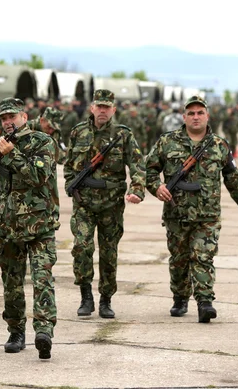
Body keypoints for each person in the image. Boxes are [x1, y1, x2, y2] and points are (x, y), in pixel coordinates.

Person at [145, 95, 238, 323]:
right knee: (179, 260)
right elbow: (149, 170)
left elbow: (232, 176)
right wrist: (157, 187)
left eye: (200, 113)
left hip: (208, 215)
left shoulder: (219, 145)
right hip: (176, 213)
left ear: (207, 116)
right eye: (191, 113)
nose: (196, 117)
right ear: (184, 117)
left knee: (203, 256)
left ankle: (205, 302)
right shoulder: (167, 142)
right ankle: (180, 297)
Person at [0, 97, 59, 360]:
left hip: (40, 227)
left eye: (12, 116)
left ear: (24, 117)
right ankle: (16, 332)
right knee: (12, 285)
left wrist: (11, 154)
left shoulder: (43, 142)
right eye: (3, 118)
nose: (8, 122)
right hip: (9, 227)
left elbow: (39, 177)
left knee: (42, 280)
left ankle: (44, 331)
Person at [64, 89, 146, 319]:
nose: (102, 111)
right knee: (82, 248)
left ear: (113, 110)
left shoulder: (123, 135)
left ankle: (106, 300)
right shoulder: (78, 133)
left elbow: (138, 165)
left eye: (106, 107)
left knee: (109, 254)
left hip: (111, 205)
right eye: (98, 106)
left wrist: (137, 189)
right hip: (84, 204)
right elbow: (69, 165)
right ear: (92, 108)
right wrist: (71, 186)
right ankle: (85, 296)